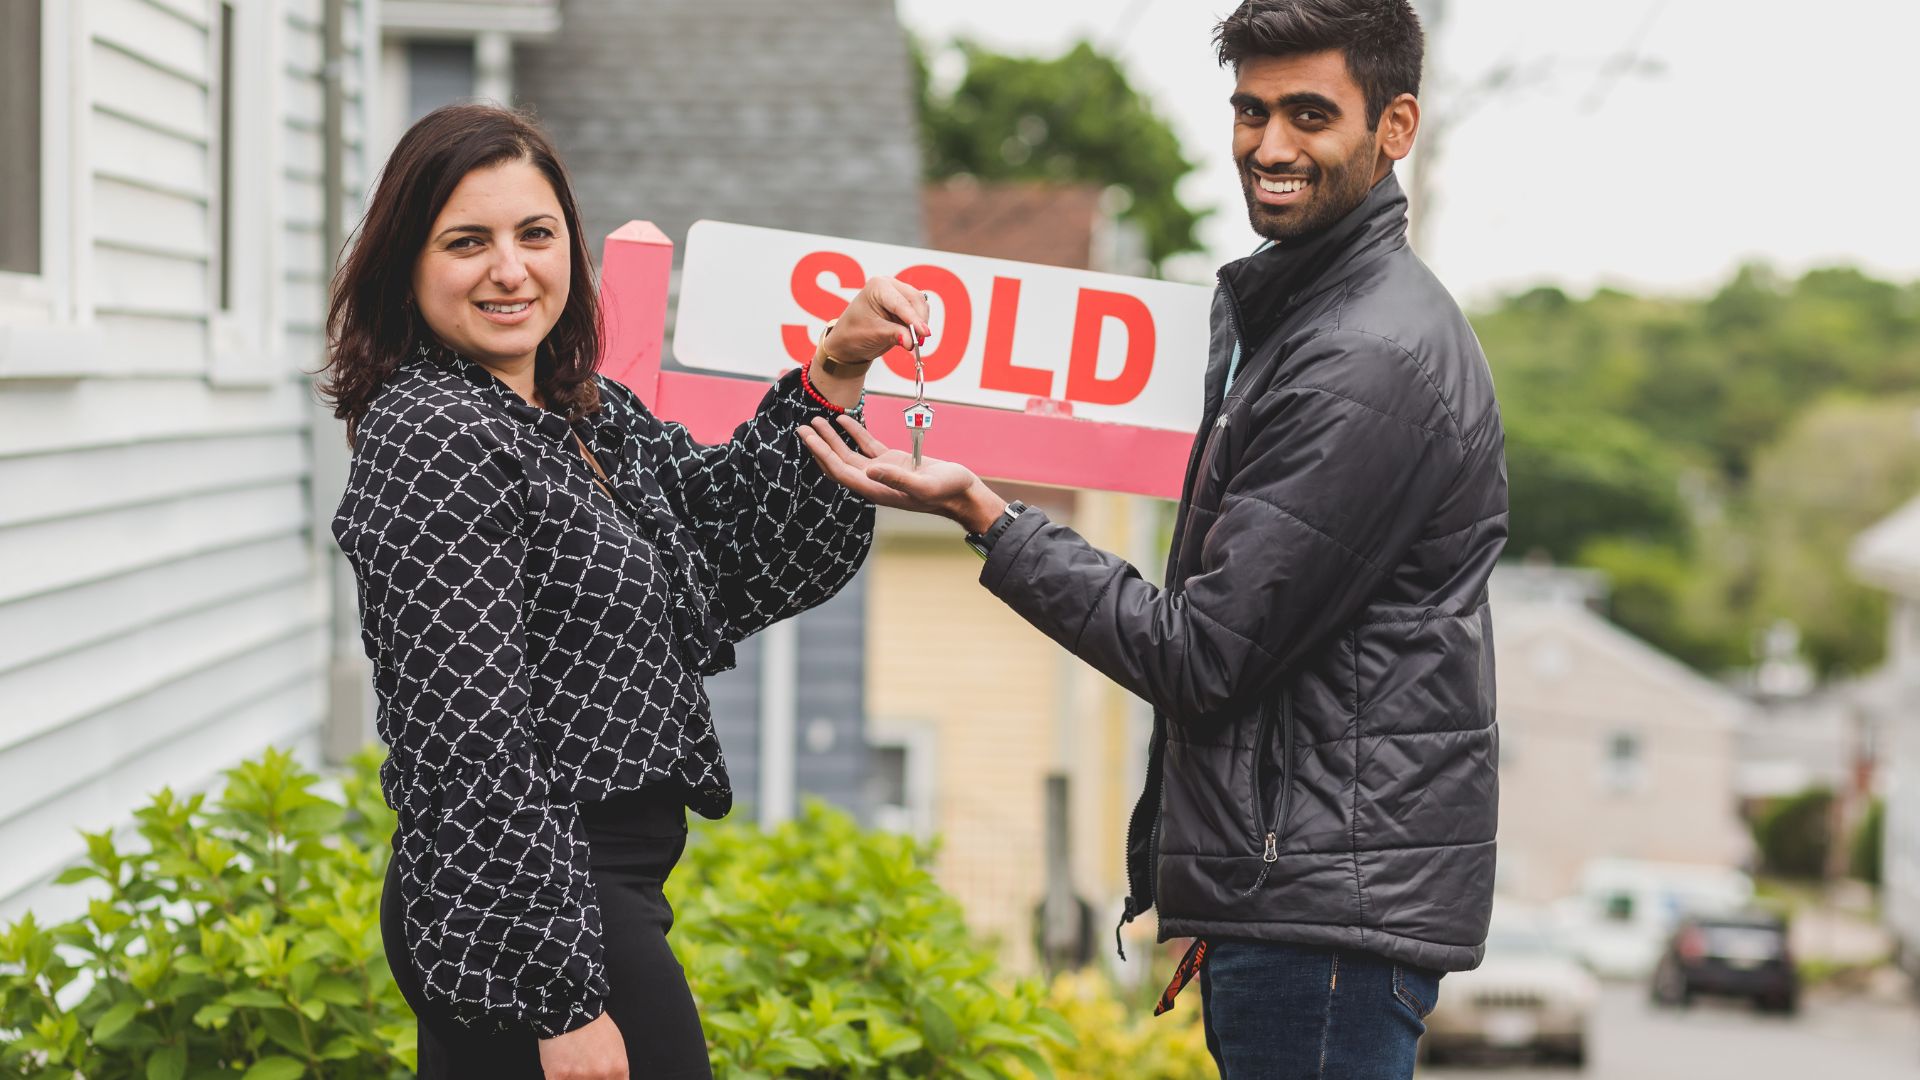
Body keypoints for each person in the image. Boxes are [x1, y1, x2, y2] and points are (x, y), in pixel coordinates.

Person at [796, 2, 1505, 1076]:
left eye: (1310, 114)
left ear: (1396, 126)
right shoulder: (1312, 322)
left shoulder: (1365, 362)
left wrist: (987, 518)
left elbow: (1201, 655)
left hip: (1319, 925)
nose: (1269, 146)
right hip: (1306, 906)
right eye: (1250, 111)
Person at [323, 104, 927, 1080]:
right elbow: (467, 742)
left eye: (535, 234)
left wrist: (836, 364)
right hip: (532, 905)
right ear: (408, 264)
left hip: (592, 894)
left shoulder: (580, 418)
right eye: (466, 242)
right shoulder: (434, 437)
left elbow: (728, 537)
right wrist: (559, 997)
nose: (510, 270)